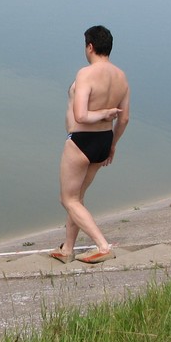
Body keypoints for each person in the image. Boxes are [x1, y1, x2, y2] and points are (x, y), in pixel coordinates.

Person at [50, 25, 130, 264]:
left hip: (81, 140)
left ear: (90, 47)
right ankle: (68, 249)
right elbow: (124, 119)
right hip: (104, 140)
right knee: (78, 197)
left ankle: (103, 246)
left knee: (68, 199)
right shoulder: (121, 77)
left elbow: (81, 115)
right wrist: (113, 144)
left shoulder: (86, 73)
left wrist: (103, 112)